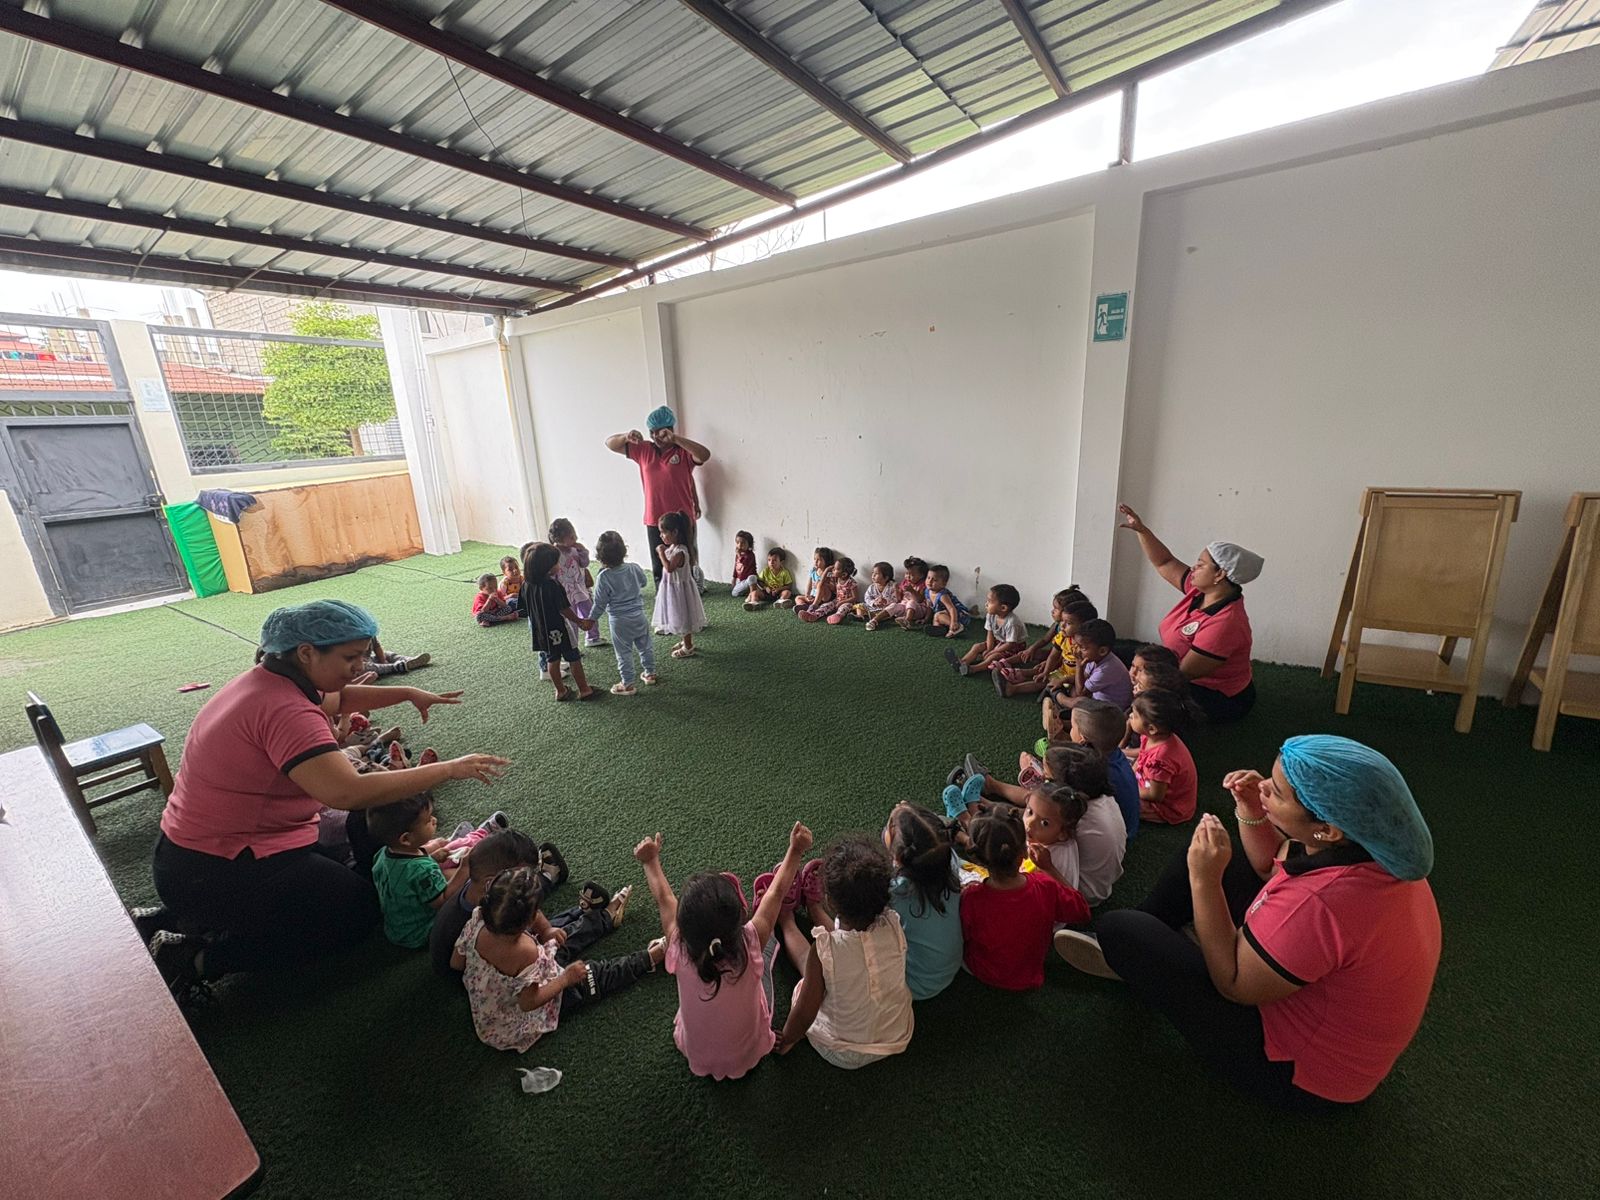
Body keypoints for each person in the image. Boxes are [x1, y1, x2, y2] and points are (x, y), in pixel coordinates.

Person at [146, 600, 507, 996]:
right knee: (357, 915)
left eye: (363, 655)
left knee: (366, 840)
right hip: (213, 870)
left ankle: (185, 917)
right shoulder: (285, 710)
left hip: (215, 853)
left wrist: (407, 692)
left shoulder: (273, 679)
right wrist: (450, 768)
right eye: (350, 657)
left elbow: (339, 699)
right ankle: (197, 957)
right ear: (306, 653)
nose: (360, 665)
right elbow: (347, 791)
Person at [1058, 736, 1440, 1109]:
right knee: (1209, 863)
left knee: (1120, 929)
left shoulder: (1322, 902)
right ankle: (1149, 949)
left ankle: (1135, 955)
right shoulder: (1376, 851)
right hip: (1317, 1014)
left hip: (1296, 1075)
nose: (1263, 787)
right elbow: (1269, 867)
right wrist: (1253, 807)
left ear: (1326, 829)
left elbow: (1235, 984)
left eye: (1278, 792)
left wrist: (1204, 880)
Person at [634, 823, 812, 1080]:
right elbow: (776, 893)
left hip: (695, 1052)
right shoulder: (751, 940)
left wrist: (650, 860)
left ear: (683, 926)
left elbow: (664, 898)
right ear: (740, 920)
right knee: (767, 946)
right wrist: (796, 850)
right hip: (749, 1053)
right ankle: (744, 918)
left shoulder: (677, 943)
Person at [450, 866, 662, 1052]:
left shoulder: (478, 918)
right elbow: (529, 1003)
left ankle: (605, 917)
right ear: (530, 920)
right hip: (515, 1022)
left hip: (493, 1009)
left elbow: (456, 963)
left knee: (558, 937)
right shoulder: (526, 952)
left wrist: (546, 931)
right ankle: (648, 958)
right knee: (589, 975)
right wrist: (565, 980)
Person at [774, 835, 915, 1067]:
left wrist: (788, 1038)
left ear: (830, 900)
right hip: (895, 1035)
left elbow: (805, 1012)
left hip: (843, 1050)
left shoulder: (824, 952)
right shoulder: (893, 923)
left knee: (813, 962)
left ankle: (786, 919)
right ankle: (813, 908)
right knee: (840, 953)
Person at [1117, 503, 1261, 722]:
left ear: (1220, 575)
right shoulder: (1200, 591)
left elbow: (1181, 675)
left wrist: (1138, 681)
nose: (1193, 568)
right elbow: (1165, 562)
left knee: (1149, 703)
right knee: (1114, 654)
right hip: (1175, 668)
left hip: (1215, 696)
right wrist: (1142, 530)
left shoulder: (1226, 623)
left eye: (1201, 565)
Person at [959, 806, 1090, 991]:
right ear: (1024, 852)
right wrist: (1050, 869)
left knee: (956, 869)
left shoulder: (971, 898)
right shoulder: (1046, 886)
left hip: (983, 971)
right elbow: (1082, 911)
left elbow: (962, 936)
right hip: (1030, 974)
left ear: (979, 859)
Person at [429, 828, 568, 978]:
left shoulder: (477, 885)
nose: (524, 881)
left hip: (452, 962)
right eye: (519, 876)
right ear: (490, 883)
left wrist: (546, 929)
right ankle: (547, 878)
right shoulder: (487, 918)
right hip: (476, 975)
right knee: (545, 952)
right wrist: (545, 933)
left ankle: (546, 878)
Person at [605, 407, 710, 586]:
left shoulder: (682, 451)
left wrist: (675, 439)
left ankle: (692, 592)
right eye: (652, 432)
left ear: (670, 429)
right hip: (655, 518)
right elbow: (610, 444)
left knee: (685, 562)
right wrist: (626, 436)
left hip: (681, 518)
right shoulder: (644, 449)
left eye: (660, 432)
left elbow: (704, 455)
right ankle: (663, 596)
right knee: (660, 567)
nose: (655, 437)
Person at [366, 792, 473, 948]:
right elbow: (442, 901)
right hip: (422, 932)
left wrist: (432, 856)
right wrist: (465, 868)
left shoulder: (382, 854)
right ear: (406, 839)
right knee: (470, 889)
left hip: (396, 929)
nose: (435, 820)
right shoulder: (421, 870)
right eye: (428, 820)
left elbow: (405, 876)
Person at [1022, 749, 1125, 906]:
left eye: (1048, 780)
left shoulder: (1074, 822)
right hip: (1101, 883)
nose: (1043, 780)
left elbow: (1067, 897)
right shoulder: (1104, 798)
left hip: (1081, 893)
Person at [882, 803, 963, 1000]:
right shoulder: (949, 860)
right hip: (950, 969)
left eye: (889, 827)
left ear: (898, 858)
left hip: (914, 985)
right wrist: (908, 815)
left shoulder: (895, 894)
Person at [523, 542, 601, 702]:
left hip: (541, 630)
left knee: (552, 659)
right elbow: (564, 609)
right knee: (573, 657)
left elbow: (526, 608)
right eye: (556, 562)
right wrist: (579, 621)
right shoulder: (553, 585)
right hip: (560, 629)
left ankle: (560, 691)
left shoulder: (526, 585)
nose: (559, 565)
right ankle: (584, 690)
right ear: (548, 568)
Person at [589, 530, 658, 695]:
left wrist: (591, 620)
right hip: (639, 615)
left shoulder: (603, 577)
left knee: (623, 652)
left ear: (600, 557)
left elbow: (599, 603)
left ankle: (627, 684)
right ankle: (650, 673)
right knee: (645, 646)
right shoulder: (634, 568)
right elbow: (643, 582)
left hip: (619, 621)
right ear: (623, 551)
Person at [993, 588, 1089, 698]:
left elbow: (1083, 667)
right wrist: (1035, 653)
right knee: (1042, 671)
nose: (1052, 611)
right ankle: (1006, 667)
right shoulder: (1061, 633)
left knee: (1064, 688)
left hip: (1074, 675)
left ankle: (1018, 678)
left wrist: (1050, 667)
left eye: (1056, 609)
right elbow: (1049, 646)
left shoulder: (1085, 644)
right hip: (1063, 667)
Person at [1071, 699, 1140, 840]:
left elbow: (1067, 801)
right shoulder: (1114, 753)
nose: (1070, 731)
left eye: (1072, 727)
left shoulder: (1093, 771)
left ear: (1082, 739)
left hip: (1115, 836)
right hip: (1130, 827)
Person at [1130, 689, 1199, 824]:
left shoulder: (1160, 759)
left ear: (1152, 728)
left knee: (1120, 800)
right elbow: (1141, 757)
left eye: (1135, 715)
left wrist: (1129, 788)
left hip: (1168, 806)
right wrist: (1130, 776)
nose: (1130, 716)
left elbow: (1155, 795)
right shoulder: (1155, 737)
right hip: (1148, 783)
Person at [652, 510, 705, 659]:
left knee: (683, 617)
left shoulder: (680, 551)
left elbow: (669, 568)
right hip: (672, 589)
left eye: (664, 532)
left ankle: (688, 647)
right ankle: (684, 641)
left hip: (679, 591)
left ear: (675, 532)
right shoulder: (673, 548)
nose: (661, 536)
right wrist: (665, 551)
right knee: (678, 616)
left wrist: (661, 553)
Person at [947, 583, 1026, 675]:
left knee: (994, 656)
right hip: (999, 641)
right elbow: (990, 633)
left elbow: (1010, 644)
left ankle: (974, 669)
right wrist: (989, 649)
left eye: (989, 601)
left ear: (1003, 608)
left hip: (1014, 647)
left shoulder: (1012, 622)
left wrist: (993, 651)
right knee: (977, 646)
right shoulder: (991, 615)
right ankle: (963, 662)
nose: (986, 604)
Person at [548, 518, 601, 649]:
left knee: (590, 612)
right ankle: (573, 645)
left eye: (574, 535)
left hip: (580, 589)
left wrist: (584, 552)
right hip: (565, 593)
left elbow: (584, 564)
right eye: (571, 537)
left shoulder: (575, 550)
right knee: (571, 620)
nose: (575, 539)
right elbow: (552, 574)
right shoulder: (553, 553)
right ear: (559, 539)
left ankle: (593, 637)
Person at [866, 556, 930, 631]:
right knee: (893, 605)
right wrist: (897, 590)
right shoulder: (905, 582)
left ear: (921, 575)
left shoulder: (922, 585)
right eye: (907, 573)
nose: (908, 576)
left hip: (918, 610)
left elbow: (919, 600)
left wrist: (912, 591)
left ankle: (907, 621)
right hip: (904, 607)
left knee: (911, 602)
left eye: (912, 575)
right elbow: (898, 599)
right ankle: (874, 621)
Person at [803, 556, 859, 624]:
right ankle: (814, 615)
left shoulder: (851, 583)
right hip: (837, 600)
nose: (833, 570)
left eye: (835, 569)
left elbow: (855, 597)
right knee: (825, 606)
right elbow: (821, 582)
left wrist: (842, 602)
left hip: (848, 603)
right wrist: (827, 570)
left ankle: (838, 616)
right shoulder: (836, 578)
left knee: (843, 608)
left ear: (844, 574)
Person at [921, 564, 970, 637]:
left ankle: (958, 627)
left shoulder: (942, 595)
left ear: (944, 584)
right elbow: (929, 606)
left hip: (959, 614)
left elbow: (952, 609)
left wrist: (954, 622)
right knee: (936, 619)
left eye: (935, 580)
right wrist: (926, 619)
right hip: (945, 614)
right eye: (928, 578)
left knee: (938, 616)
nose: (930, 581)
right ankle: (942, 630)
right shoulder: (927, 591)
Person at [793, 546, 836, 616]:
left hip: (824, 597)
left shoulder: (829, 573)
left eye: (819, 560)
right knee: (798, 598)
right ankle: (803, 606)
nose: (815, 562)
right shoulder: (813, 571)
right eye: (815, 559)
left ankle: (814, 606)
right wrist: (807, 595)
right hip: (813, 596)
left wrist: (824, 584)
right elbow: (809, 584)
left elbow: (834, 588)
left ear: (827, 561)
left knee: (820, 584)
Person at [730, 531, 758, 598]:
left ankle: (752, 595)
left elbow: (745, 564)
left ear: (749, 544)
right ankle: (748, 591)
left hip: (750, 580)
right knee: (734, 593)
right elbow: (736, 567)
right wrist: (734, 579)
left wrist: (739, 555)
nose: (739, 545)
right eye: (737, 543)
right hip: (742, 581)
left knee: (752, 577)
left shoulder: (751, 555)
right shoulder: (738, 555)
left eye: (743, 543)